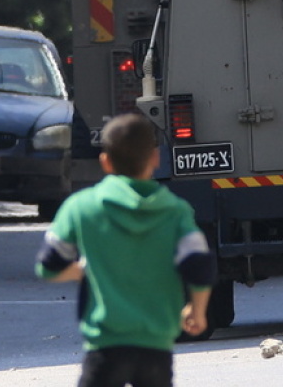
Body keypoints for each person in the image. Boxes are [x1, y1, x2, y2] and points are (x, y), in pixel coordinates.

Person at [36, 113, 215, 387]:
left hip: (105, 345)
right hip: (156, 346)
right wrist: (197, 311)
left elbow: (48, 266)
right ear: (155, 158)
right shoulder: (176, 211)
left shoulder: (81, 207)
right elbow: (200, 268)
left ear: (105, 161)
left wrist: (81, 271)